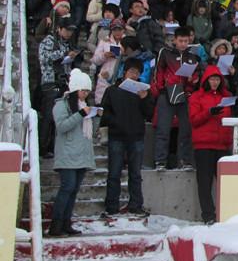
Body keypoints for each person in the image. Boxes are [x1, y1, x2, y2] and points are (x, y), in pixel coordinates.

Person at [99, 59, 153, 217]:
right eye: (132, 71)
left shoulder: (143, 91)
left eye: (137, 72)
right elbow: (105, 113)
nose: (134, 75)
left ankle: (136, 204)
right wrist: (115, 123)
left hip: (136, 136)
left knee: (135, 174)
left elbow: (149, 113)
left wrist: (144, 99)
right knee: (114, 173)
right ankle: (111, 206)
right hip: (117, 136)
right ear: (125, 72)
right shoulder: (112, 90)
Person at [49, 69, 96, 237]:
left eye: (88, 91)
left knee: (73, 190)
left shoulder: (83, 106)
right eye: (83, 91)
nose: (85, 94)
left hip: (81, 154)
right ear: (75, 89)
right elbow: (62, 126)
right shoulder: (61, 105)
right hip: (67, 153)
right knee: (67, 188)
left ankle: (66, 223)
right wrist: (80, 114)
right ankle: (56, 225)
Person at [187, 66, 233, 224]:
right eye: (212, 79)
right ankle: (208, 215)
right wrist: (209, 113)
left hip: (222, 145)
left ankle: (225, 213)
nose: (215, 82)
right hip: (204, 146)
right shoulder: (196, 97)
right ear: (206, 80)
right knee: (205, 184)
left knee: (225, 184)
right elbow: (194, 120)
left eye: (217, 79)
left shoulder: (226, 97)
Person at [151, 27, 200, 170]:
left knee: (186, 130)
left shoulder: (192, 56)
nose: (183, 44)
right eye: (181, 41)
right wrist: (161, 89)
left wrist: (192, 80)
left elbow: (196, 76)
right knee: (163, 129)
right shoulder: (165, 53)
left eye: (186, 41)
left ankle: (185, 161)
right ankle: (160, 161)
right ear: (175, 40)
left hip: (184, 94)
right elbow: (158, 72)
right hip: (167, 93)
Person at [38, 17, 78, 158]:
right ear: (59, 29)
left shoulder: (67, 43)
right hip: (50, 82)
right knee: (49, 116)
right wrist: (64, 54)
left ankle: (55, 147)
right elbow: (44, 58)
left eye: (71, 31)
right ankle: (43, 148)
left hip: (63, 82)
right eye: (67, 30)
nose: (69, 33)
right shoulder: (49, 41)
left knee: (61, 117)